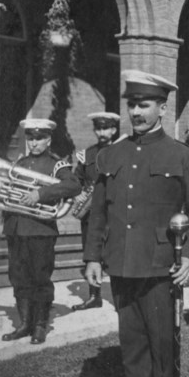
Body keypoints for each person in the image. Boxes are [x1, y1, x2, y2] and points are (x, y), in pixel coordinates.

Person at [83, 70, 189, 377]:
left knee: (162, 346)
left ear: (161, 106)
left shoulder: (182, 157)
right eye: (132, 105)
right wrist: (93, 256)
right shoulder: (111, 155)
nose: (137, 112)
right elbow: (99, 213)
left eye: (144, 104)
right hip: (122, 264)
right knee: (132, 345)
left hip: (160, 267)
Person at [0, 119, 80, 344]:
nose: (34, 143)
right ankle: (24, 324)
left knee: (40, 277)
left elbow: (74, 186)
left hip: (40, 230)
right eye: (30, 139)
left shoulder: (57, 164)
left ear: (48, 140)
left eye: (39, 139)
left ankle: (40, 325)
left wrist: (39, 195)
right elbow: (9, 189)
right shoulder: (19, 163)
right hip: (16, 228)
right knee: (18, 276)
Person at [71, 111, 121, 311]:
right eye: (98, 128)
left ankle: (120, 299)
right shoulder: (87, 155)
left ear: (114, 130)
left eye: (106, 128)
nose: (102, 132)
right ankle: (94, 296)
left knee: (117, 255)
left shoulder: (122, 152)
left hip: (116, 213)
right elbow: (77, 181)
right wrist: (78, 194)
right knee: (91, 253)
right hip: (92, 215)